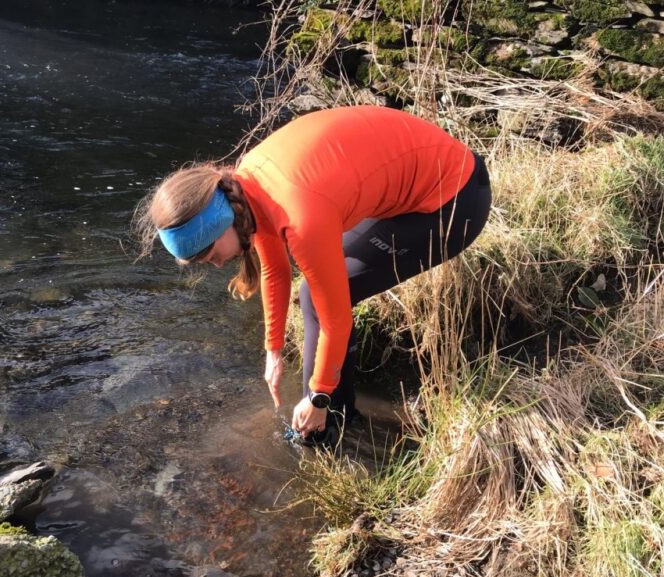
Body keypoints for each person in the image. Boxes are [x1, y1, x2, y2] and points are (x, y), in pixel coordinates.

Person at [139, 106, 492, 446]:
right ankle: (339, 416)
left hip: (454, 201)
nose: (218, 265)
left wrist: (318, 397)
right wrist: (273, 350)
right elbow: (275, 271)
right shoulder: (242, 189)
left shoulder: (299, 216)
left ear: (222, 223)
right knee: (314, 296)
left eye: (212, 254)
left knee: (321, 301)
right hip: (420, 185)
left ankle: (323, 427)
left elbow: (336, 321)